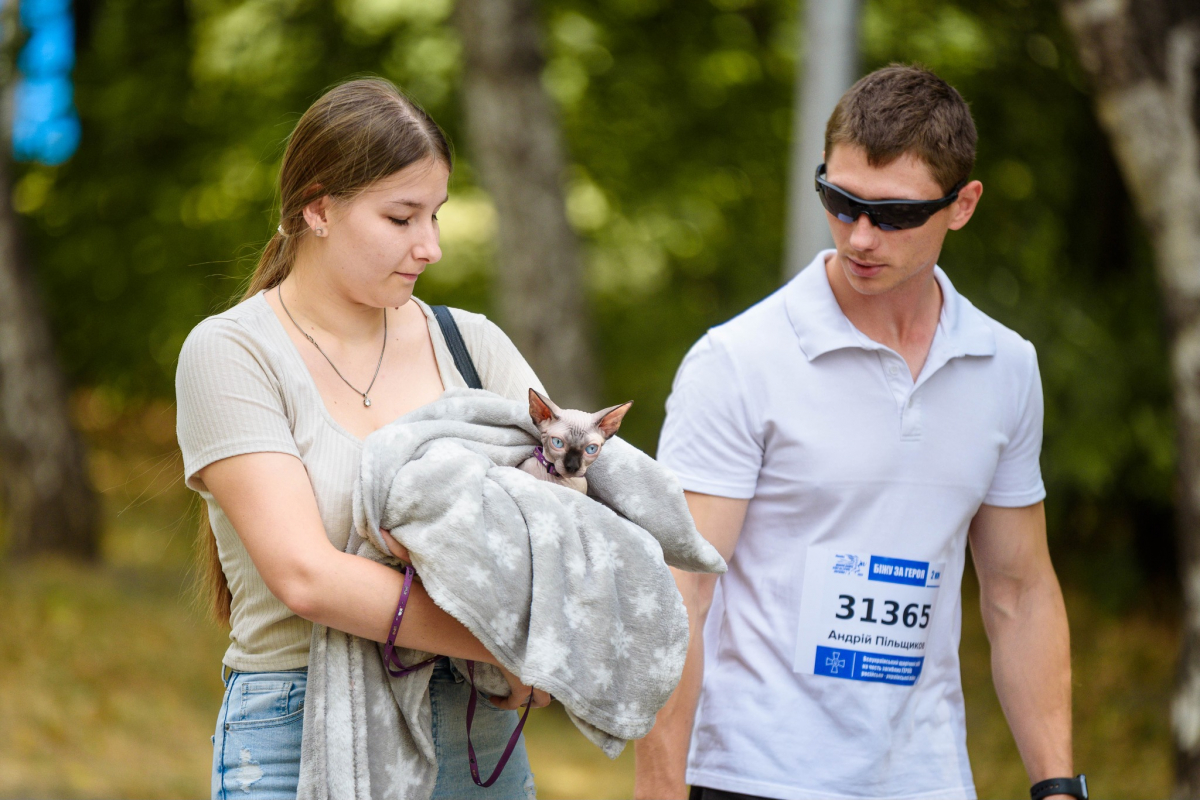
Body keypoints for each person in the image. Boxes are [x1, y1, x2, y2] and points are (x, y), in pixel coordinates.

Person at [634, 65, 1083, 800]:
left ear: (962, 205)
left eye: (894, 214)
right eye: (839, 203)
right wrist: (659, 791)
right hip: (751, 774)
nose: (860, 236)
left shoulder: (1005, 365)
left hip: (925, 777)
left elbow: (1019, 590)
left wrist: (1058, 785)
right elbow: (679, 595)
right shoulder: (739, 361)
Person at [175, 78, 550, 800]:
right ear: (318, 207)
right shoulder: (232, 352)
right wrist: (519, 643)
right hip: (296, 723)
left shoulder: (474, 346)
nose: (431, 246)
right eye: (402, 217)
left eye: (436, 215)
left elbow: (572, 518)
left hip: (476, 728)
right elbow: (306, 576)